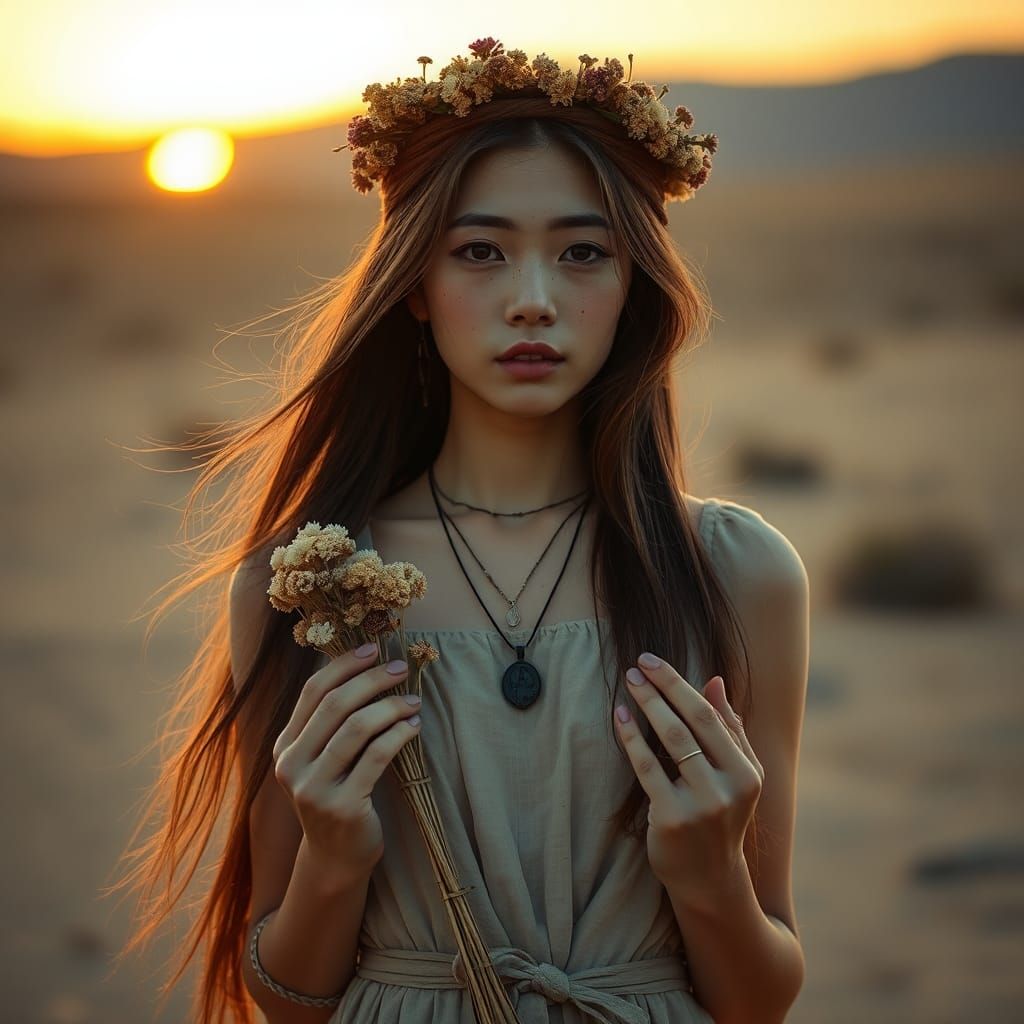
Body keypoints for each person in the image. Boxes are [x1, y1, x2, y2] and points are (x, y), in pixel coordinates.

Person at [108, 38, 809, 1024]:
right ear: (412, 285)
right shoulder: (312, 586)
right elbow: (287, 1001)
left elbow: (760, 1000)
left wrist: (707, 879)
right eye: (479, 250)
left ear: (632, 284)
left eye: (582, 251)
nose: (532, 297)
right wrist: (333, 859)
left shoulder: (736, 572)